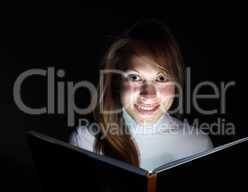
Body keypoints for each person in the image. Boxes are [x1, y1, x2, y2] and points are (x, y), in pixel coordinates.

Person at [69, 19, 213, 172]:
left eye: (161, 78)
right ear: (117, 82)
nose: (148, 94)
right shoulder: (85, 140)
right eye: (135, 77)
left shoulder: (199, 146)